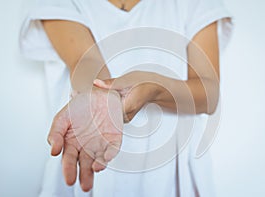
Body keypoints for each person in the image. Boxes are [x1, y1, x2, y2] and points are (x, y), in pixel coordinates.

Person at [20, 0, 233, 196]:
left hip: (173, 176)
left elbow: (208, 93)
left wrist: (153, 88)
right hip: (90, 156)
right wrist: (102, 98)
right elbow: (86, 60)